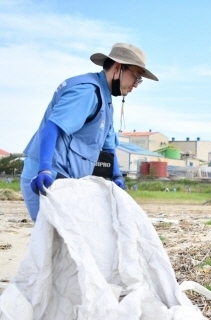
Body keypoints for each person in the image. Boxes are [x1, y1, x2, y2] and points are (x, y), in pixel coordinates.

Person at [20, 43, 158, 221]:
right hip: (48, 177)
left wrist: (116, 176)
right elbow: (52, 127)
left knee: (74, 241)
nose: (136, 85)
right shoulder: (87, 92)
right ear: (118, 67)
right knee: (58, 241)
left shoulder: (105, 101)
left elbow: (108, 149)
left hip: (70, 180)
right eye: (136, 77)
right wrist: (45, 170)